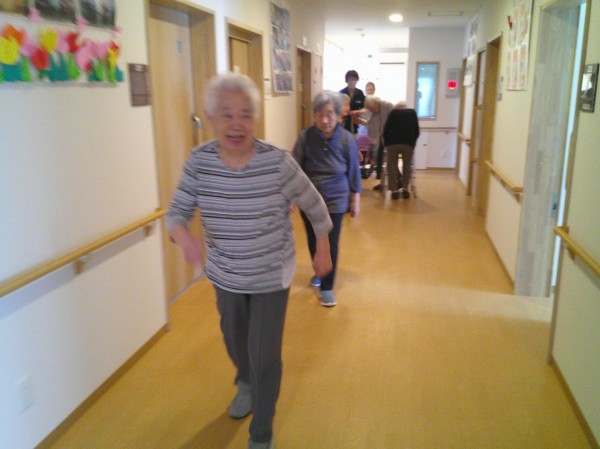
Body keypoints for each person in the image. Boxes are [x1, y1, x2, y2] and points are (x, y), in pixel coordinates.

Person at [166, 73, 333, 449]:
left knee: (264, 354)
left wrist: (322, 247)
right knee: (234, 340)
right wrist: (184, 235)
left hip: (271, 274)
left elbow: (314, 204)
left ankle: (261, 432)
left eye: (244, 114)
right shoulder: (200, 162)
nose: (236, 123)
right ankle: (244, 380)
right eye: (226, 114)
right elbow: (176, 212)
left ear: (254, 119)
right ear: (212, 119)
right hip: (225, 273)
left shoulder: (277, 163)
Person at [293, 90, 362, 307]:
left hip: (336, 199)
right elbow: (294, 168)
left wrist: (355, 199)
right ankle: (319, 270)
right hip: (309, 200)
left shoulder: (347, 139)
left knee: (330, 243)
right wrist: (291, 197)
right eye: (320, 115)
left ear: (339, 115)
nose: (324, 120)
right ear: (314, 115)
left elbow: (354, 170)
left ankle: (327, 287)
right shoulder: (305, 137)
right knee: (314, 240)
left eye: (329, 114)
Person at [382, 101, 420, 199]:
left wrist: (386, 143)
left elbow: (386, 130)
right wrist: (413, 143)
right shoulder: (412, 114)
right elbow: (416, 130)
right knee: (407, 166)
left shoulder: (393, 113)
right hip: (408, 144)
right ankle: (405, 189)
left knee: (392, 166)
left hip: (393, 143)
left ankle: (394, 190)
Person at [360, 95, 394, 188]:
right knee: (380, 160)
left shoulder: (387, 106)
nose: (370, 110)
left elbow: (395, 120)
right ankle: (382, 182)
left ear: (375, 103)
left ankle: (395, 181)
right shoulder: (375, 111)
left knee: (389, 161)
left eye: (371, 108)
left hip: (391, 138)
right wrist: (360, 120)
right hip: (383, 138)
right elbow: (370, 123)